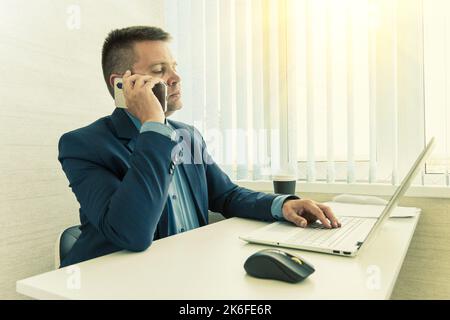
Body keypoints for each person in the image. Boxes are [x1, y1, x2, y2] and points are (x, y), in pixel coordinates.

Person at [58, 26, 340, 268]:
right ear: (122, 84)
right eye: (159, 70)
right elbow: (132, 233)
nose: (176, 78)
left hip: (188, 269)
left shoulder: (187, 135)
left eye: (174, 67)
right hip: (119, 282)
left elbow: (226, 196)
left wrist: (283, 205)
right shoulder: (83, 145)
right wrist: (153, 124)